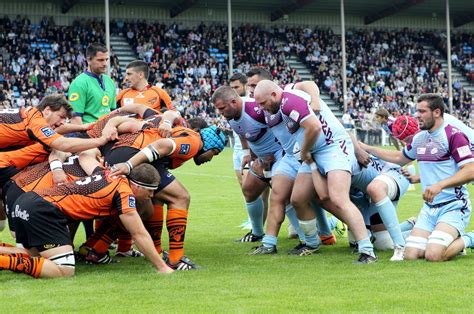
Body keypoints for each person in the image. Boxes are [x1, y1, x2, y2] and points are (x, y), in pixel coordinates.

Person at [253, 80, 377, 264]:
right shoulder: (283, 103)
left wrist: (303, 151)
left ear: (273, 94)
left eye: (263, 103)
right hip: (315, 151)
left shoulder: (289, 101)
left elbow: (314, 126)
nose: (262, 108)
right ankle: (311, 243)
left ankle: (367, 250)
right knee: (298, 199)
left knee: (338, 197)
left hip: (333, 147)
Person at [0, 163, 173, 278]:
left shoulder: (109, 174)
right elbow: (139, 233)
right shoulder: (124, 192)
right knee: (64, 270)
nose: (150, 196)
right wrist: (162, 267)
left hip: (27, 201)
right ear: (136, 185)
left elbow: (85, 157)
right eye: (149, 191)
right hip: (42, 209)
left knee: (35, 256)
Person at [360, 94, 474, 262]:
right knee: (411, 255)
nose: (417, 115)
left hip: (454, 206)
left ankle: (469, 238)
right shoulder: (420, 138)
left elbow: (470, 170)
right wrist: (367, 148)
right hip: (429, 210)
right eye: (417, 111)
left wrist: (440, 186)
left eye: (422, 111)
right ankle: (444, 238)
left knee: (433, 255)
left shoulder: (453, 135)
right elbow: (400, 157)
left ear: (436, 112)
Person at [229, 72, 269, 231]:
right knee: (245, 188)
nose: (234, 90)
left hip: (256, 151)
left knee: (258, 189)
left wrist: (250, 151)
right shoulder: (232, 107)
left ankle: (257, 226)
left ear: (245, 86)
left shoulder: (253, 104)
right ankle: (255, 222)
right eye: (231, 87)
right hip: (239, 151)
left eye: (236, 87)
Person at [69, 43, 116, 124]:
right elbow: (75, 120)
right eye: (100, 60)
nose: (105, 64)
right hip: (88, 133)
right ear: (89, 60)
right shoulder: (79, 83)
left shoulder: (110, 82)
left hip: (108, 131)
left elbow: (113, 114)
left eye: (106, 59)